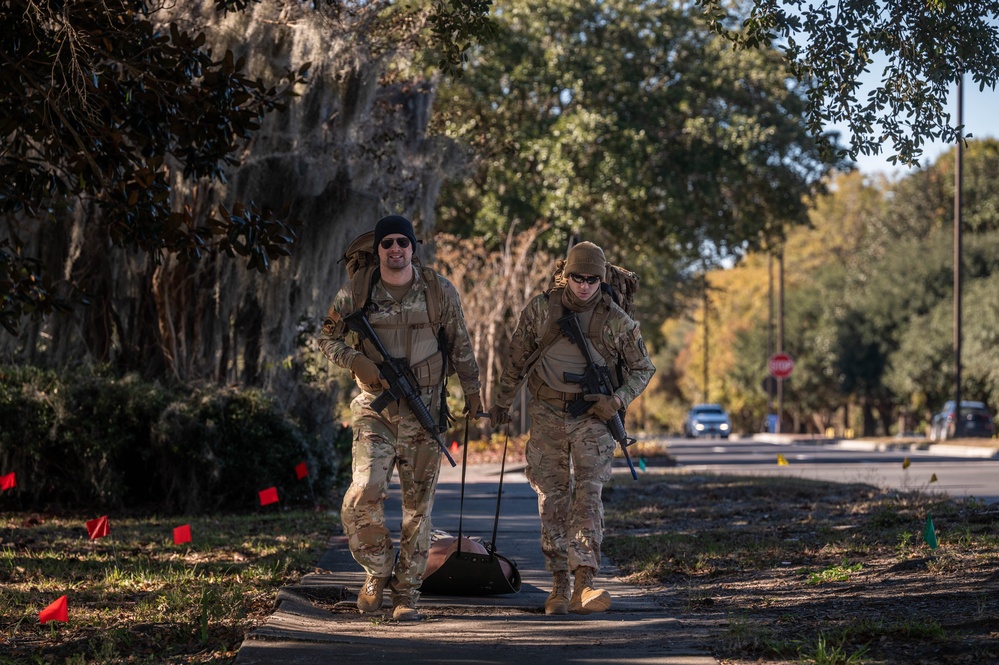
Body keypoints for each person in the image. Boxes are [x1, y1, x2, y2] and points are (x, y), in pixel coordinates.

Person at [319, 214, 481, 621]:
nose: (395, 249)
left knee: (418, 509)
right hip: (376, 412)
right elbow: (326, 336)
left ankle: (407, 592)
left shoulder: (438, 290)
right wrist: (354, 357)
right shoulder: (357, 290)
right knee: (362, 494)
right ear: (378, 249)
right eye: (388, 242)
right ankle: (377, 572)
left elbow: (460, 343)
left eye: (402, 243)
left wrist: (474, 392)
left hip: (424, 411)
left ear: (413, 247)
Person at [488, 241, 654, 616]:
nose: (584, 286)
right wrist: (502, 402)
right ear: (566, 275)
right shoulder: (541, 310)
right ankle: (559, 582)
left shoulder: (616, 320)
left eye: (592, 279)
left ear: (601, 279)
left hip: (593, 418)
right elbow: (515, 359)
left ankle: (585, 581)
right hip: (546, 411)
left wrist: (617, 400)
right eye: (577, 278)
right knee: (552, 497)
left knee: (588, 496)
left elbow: (644, 368)